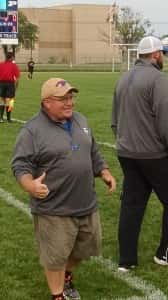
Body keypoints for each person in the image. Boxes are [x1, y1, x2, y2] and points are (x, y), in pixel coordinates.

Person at [11, 77, 116, 300]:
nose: (70, 103)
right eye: (63, 99)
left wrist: (104, 171)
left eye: (71, 97)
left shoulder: (81, 120)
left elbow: (93, 150)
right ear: (47, 102)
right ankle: (57, 295)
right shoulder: (32, 131)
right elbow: (20, 165)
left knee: (85, 249)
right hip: (54, 208)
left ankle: (67, 276)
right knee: (55, 257)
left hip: (86, 203)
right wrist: (30, 185)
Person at [111, 35, 168, 272]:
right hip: (153, 154)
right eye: (162, 53)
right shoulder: (158, 79)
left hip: (126, 152)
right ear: (155, 55)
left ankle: (127, 260)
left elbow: (114, 121)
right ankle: (163, 253)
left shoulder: (122, 79)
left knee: (132, 205)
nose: (163, 57)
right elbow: (165, 122)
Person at [0, 51, 20, 122]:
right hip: (10, 84)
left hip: (1, 83)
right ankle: (8, 118)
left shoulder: (1, 64)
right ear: (11, 57)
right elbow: (17, 78)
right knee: (10, 101)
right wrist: (15, 88)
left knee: (2, 100)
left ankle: (1, 118)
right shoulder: (13, 65)